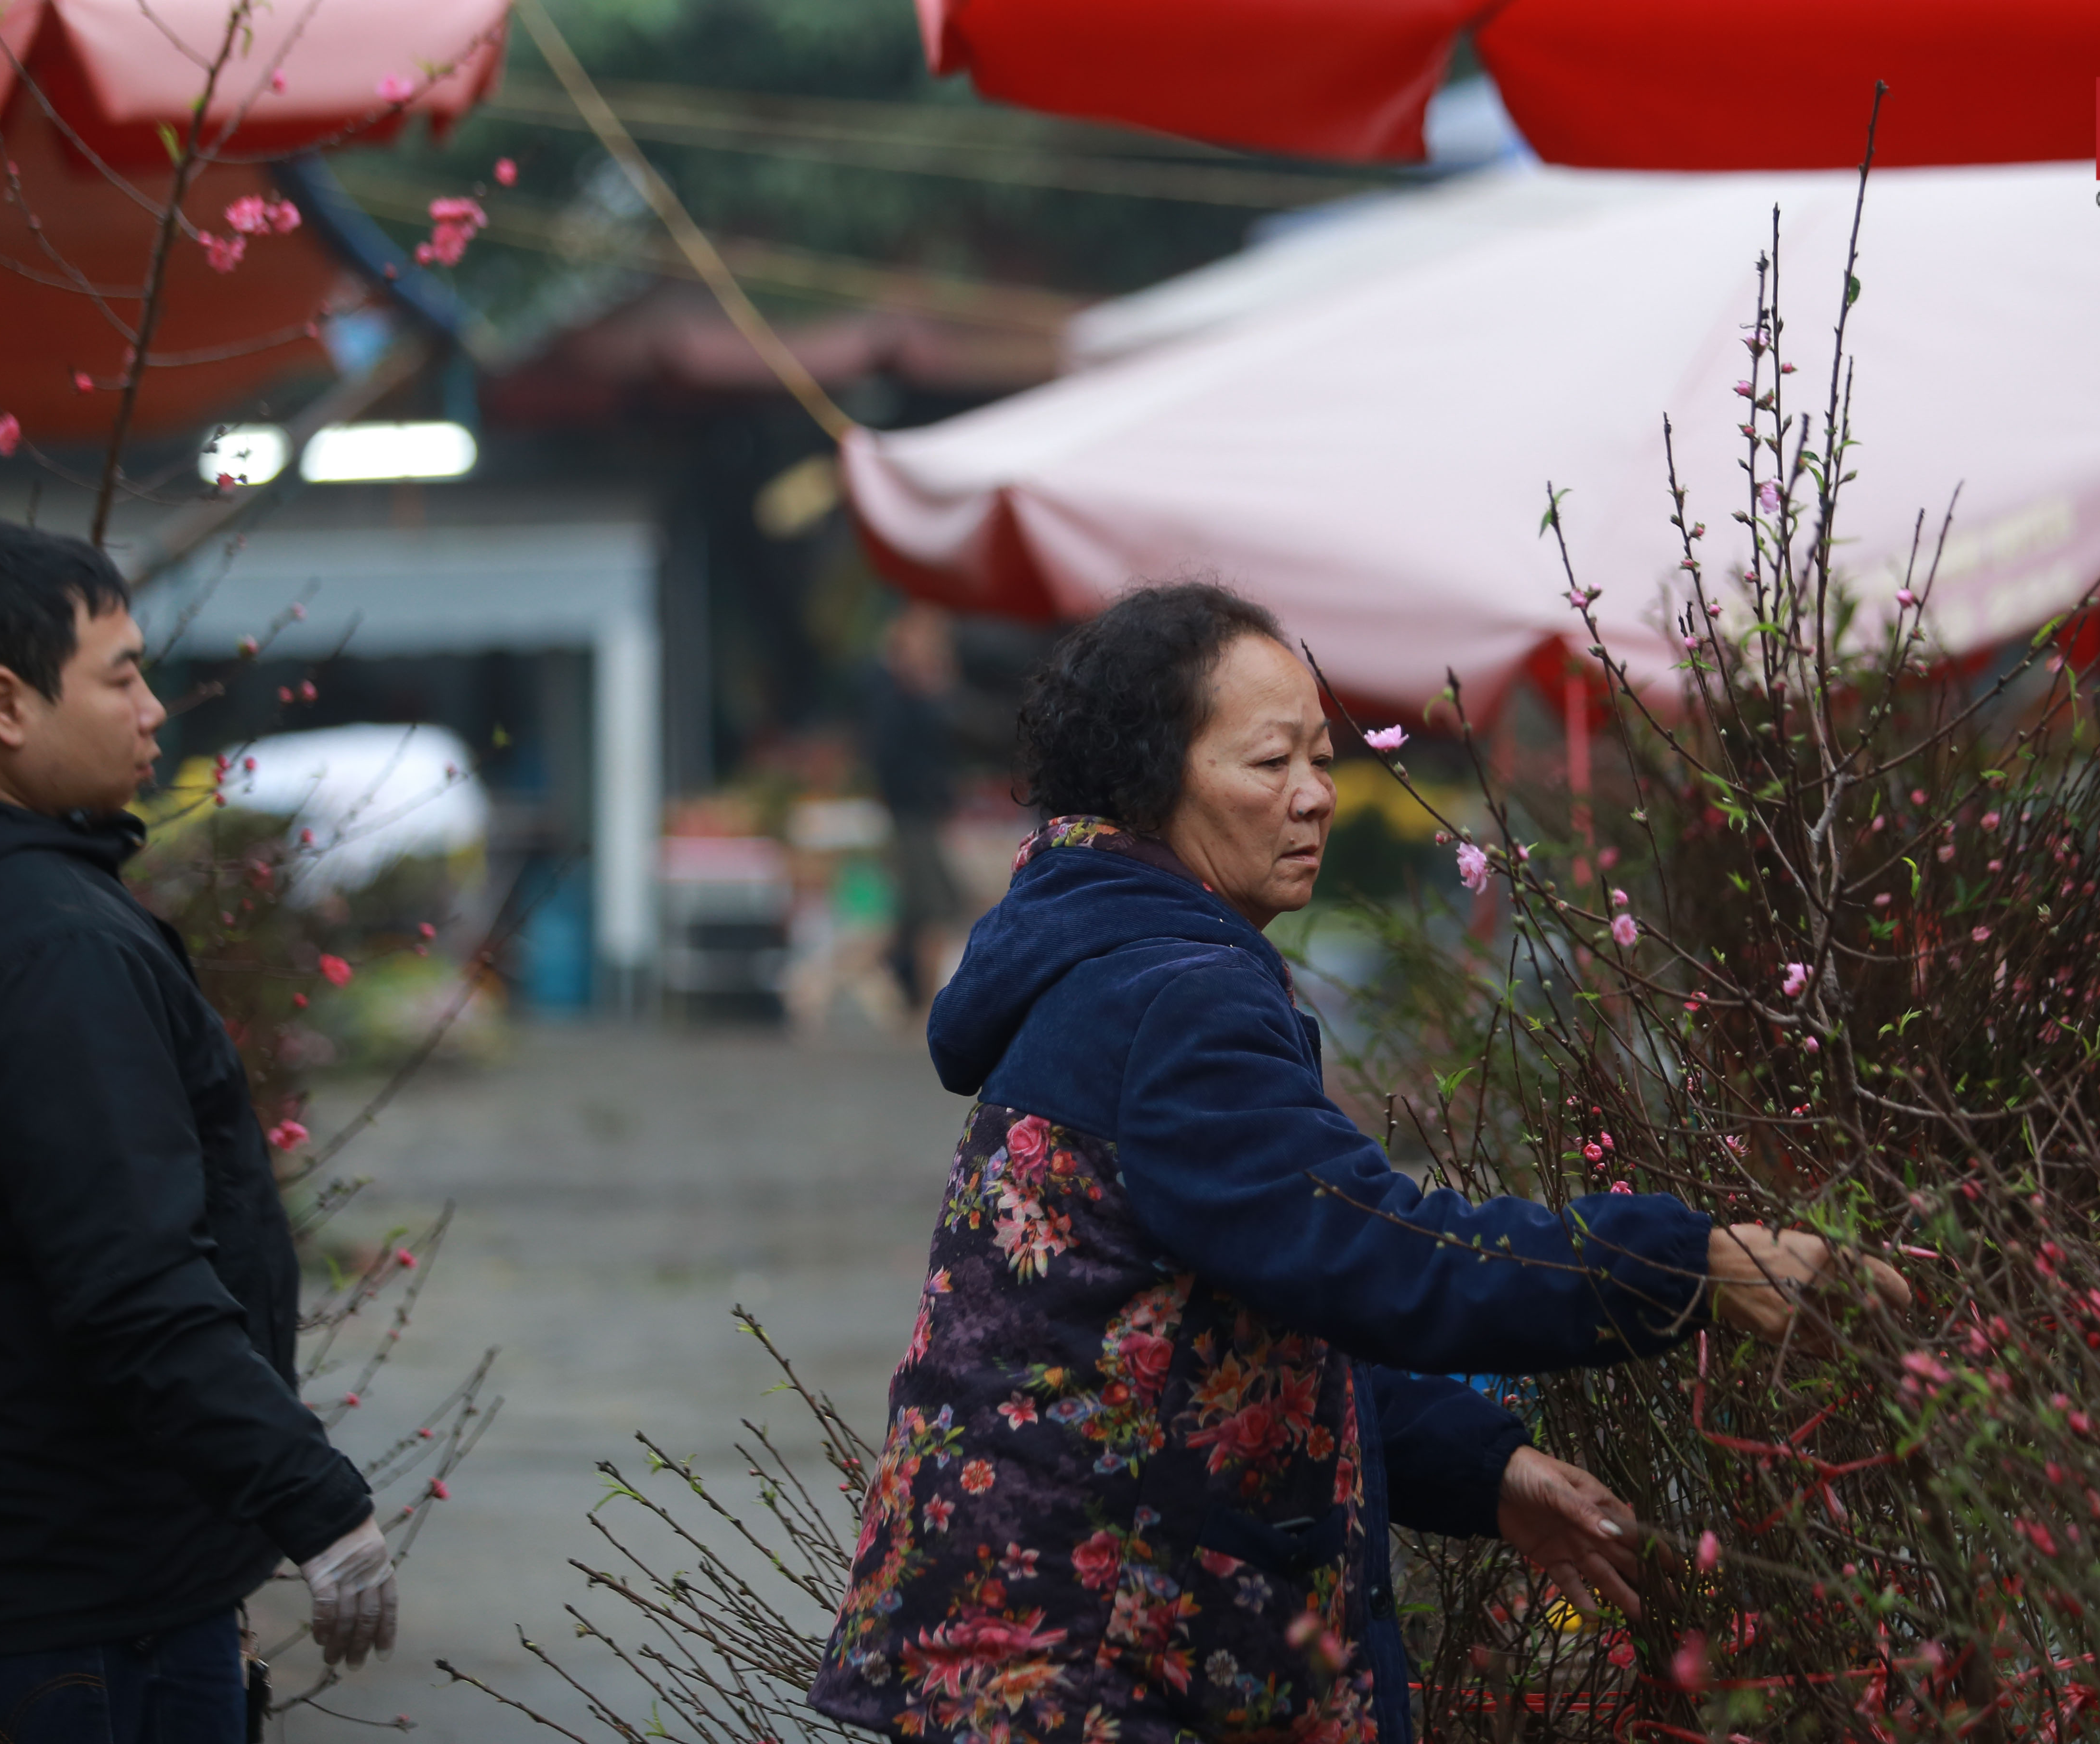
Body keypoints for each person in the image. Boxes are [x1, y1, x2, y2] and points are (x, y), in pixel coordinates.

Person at [809, 582, 1905, 1744]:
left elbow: (1252, 1312)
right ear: (1149, 779)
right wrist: (1688, 1265)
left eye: (1322, 760)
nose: (1316, 798)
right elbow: (1379, 1251)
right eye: (1268, 762)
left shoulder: (1107, 957)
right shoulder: (1170, 997)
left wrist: (1482, 1470)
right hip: (1095, 1663)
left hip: (1034, 1645)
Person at [0, 522, 396, 1740]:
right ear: (4, 703)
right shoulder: (55, 949)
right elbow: (132, 1282)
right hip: (83, 1620)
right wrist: (316, 1505)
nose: (154, 708)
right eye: (120, 674)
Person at [868, 601, 965, 1013]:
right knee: (933, 913)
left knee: (910, 917)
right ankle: (927, 1004)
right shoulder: (898, 696)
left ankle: (911, 999)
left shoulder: (907, 694)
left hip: (916, 813)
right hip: (913, 815)